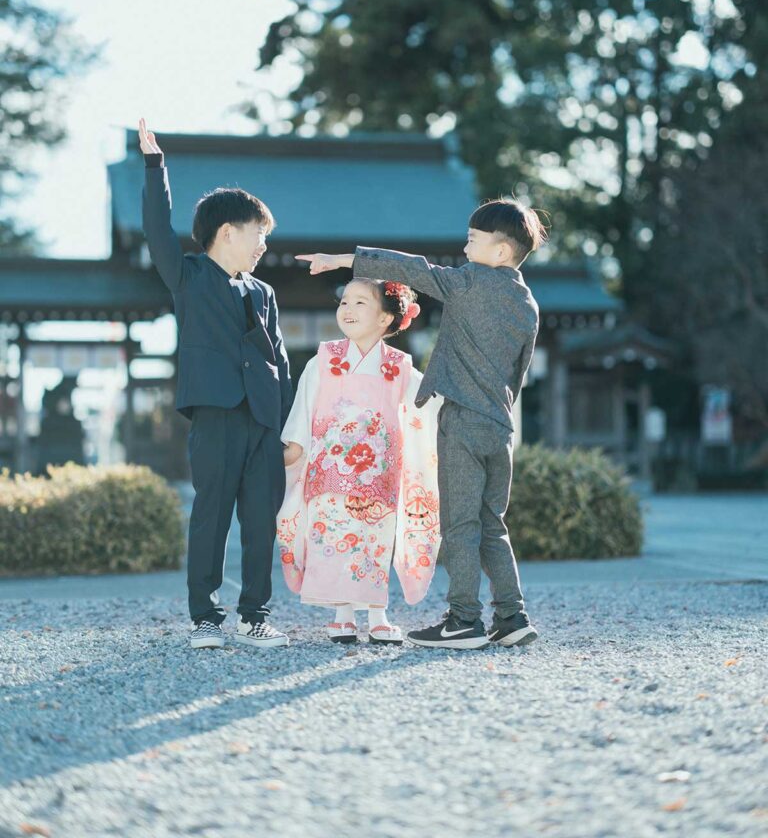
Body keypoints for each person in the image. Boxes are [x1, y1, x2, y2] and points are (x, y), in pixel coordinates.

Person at [296, 198, 546, 650]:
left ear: (501, 252)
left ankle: (463, 620)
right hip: (499, 425)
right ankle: (512, 617)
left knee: (460, 526)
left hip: (464, 423)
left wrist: (345, 260)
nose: (465, 246)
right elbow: (518, 373)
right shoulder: (527, 303)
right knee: (493, 524)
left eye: (474, 239)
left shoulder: (470, 282)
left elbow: (416, 270)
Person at [139, 118, 292, 650]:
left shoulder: (265, 292)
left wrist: (288, 425)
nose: (263, 246)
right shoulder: (188, 277)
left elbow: (279, 360)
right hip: (214, 413)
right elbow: (157, 228)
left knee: (259, 521)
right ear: (228, 231)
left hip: (264, 420)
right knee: (211, 517)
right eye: (259, 235)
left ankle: (256, 615)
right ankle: (205, 616)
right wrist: (156, 167)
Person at [277, 278, 440, 645]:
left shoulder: (399, 366)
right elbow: (304, 408)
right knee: (332, 541)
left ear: (385, 318)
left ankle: (378, 614)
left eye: (360, 303)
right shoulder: (325, 358)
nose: (347, 310)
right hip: (330, 470)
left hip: (378, 472)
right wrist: (295, 450)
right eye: (344, 302)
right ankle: (343, 615)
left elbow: (427, 403)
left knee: (374, 542)